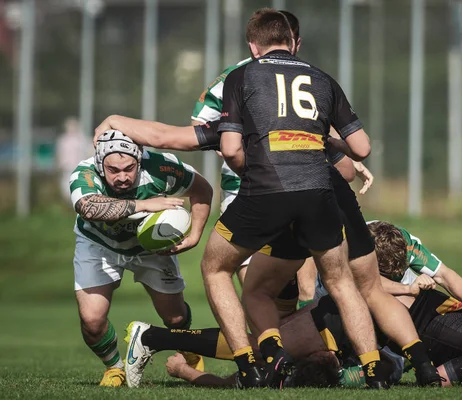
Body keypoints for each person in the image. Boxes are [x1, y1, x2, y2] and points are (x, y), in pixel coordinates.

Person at [94, 9, 441, 388]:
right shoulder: (321, 79)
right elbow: (362, 147)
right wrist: (319, 140)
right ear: (293, 42)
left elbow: (209, 143)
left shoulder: (242, 77)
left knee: (217, 269)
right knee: (342, 282)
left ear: (252, 46)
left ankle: (251, 364)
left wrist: (116, 121)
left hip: (267, 194)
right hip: (319, 194)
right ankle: (374, 369)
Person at [123, 287, 462, 387]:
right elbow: (436, 379)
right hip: (357, 319)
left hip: (365, 316)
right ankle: (154, 337)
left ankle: (159, 340)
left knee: (263, 342)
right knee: (260, 340)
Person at [70, 130, 212, 387]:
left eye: (129, 168)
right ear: (101, 164)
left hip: (151, 249)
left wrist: (195, 236)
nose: (122, 177)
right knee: (92, 320)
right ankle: (114, 368)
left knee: (176, 319)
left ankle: (187, 347)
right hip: (98, 244)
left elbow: (202, 190)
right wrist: (146, 204)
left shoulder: (164, 167)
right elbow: (88, 206)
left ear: (139, 159)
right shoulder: (85, 173)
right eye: (113, 170)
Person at [56, 117, 92, 203]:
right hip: (67, 168)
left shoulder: (82, 139)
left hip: (79, 168)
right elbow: (60, 154)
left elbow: (89, 151)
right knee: (66, 189)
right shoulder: (63, 140)